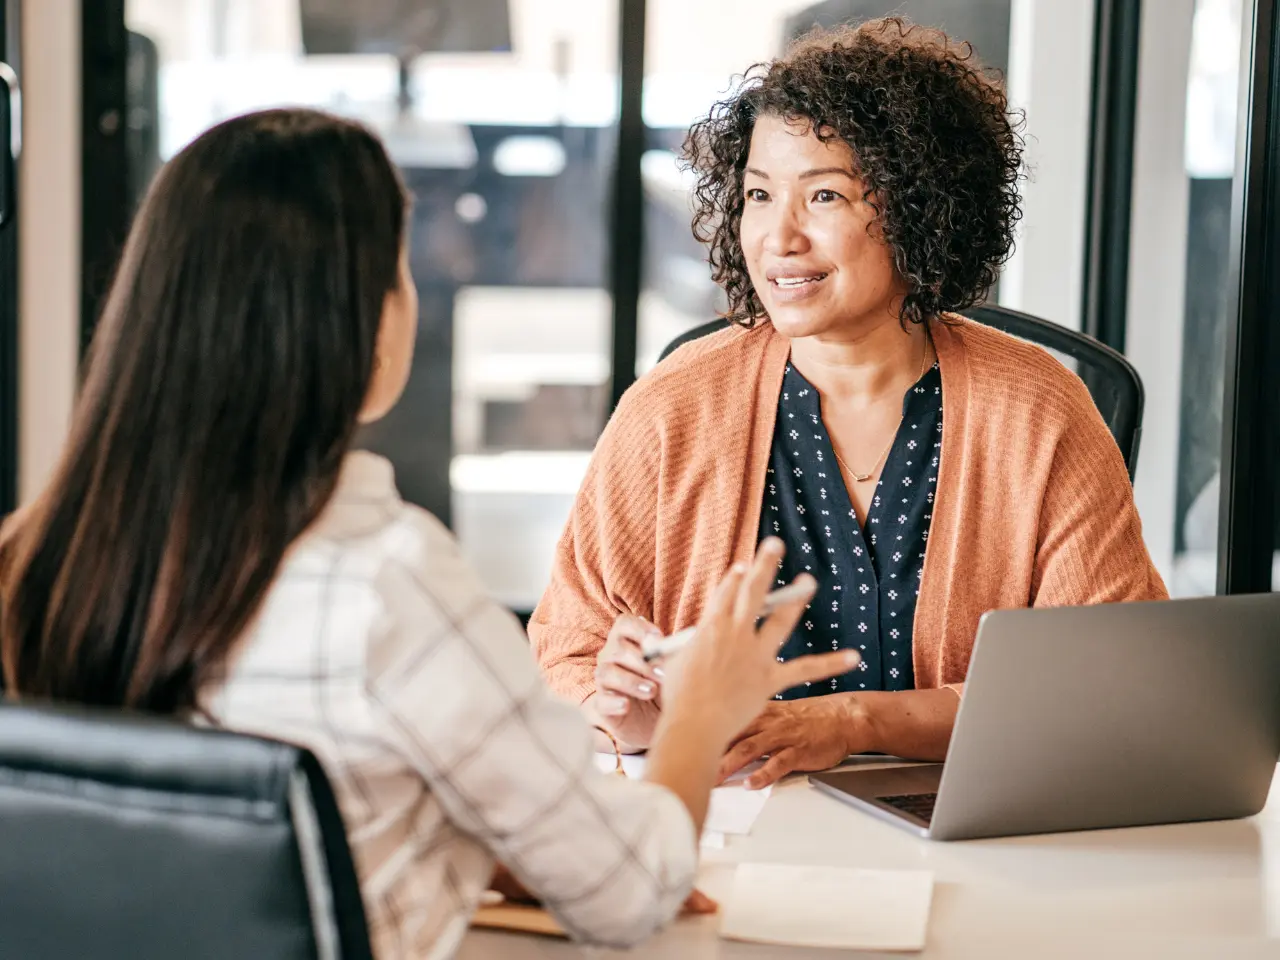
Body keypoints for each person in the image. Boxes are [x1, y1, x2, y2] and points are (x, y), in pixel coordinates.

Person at [0, 108, 857, 960]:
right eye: (401, 269)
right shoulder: (389, 585)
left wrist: (491, 848)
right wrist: (699, 716)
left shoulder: (37, 557)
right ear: (362, 324)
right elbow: (630, 892)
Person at [530, 18, 1167, 790]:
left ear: (918, 206)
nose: (779, 237)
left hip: (962, 825)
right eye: (759, 195)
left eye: (824, 194)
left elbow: (1101, 681)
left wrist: (856, 721)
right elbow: (569, 650)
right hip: (723, 819)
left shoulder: (1039, 408)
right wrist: (621, 709)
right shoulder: (672, 407)